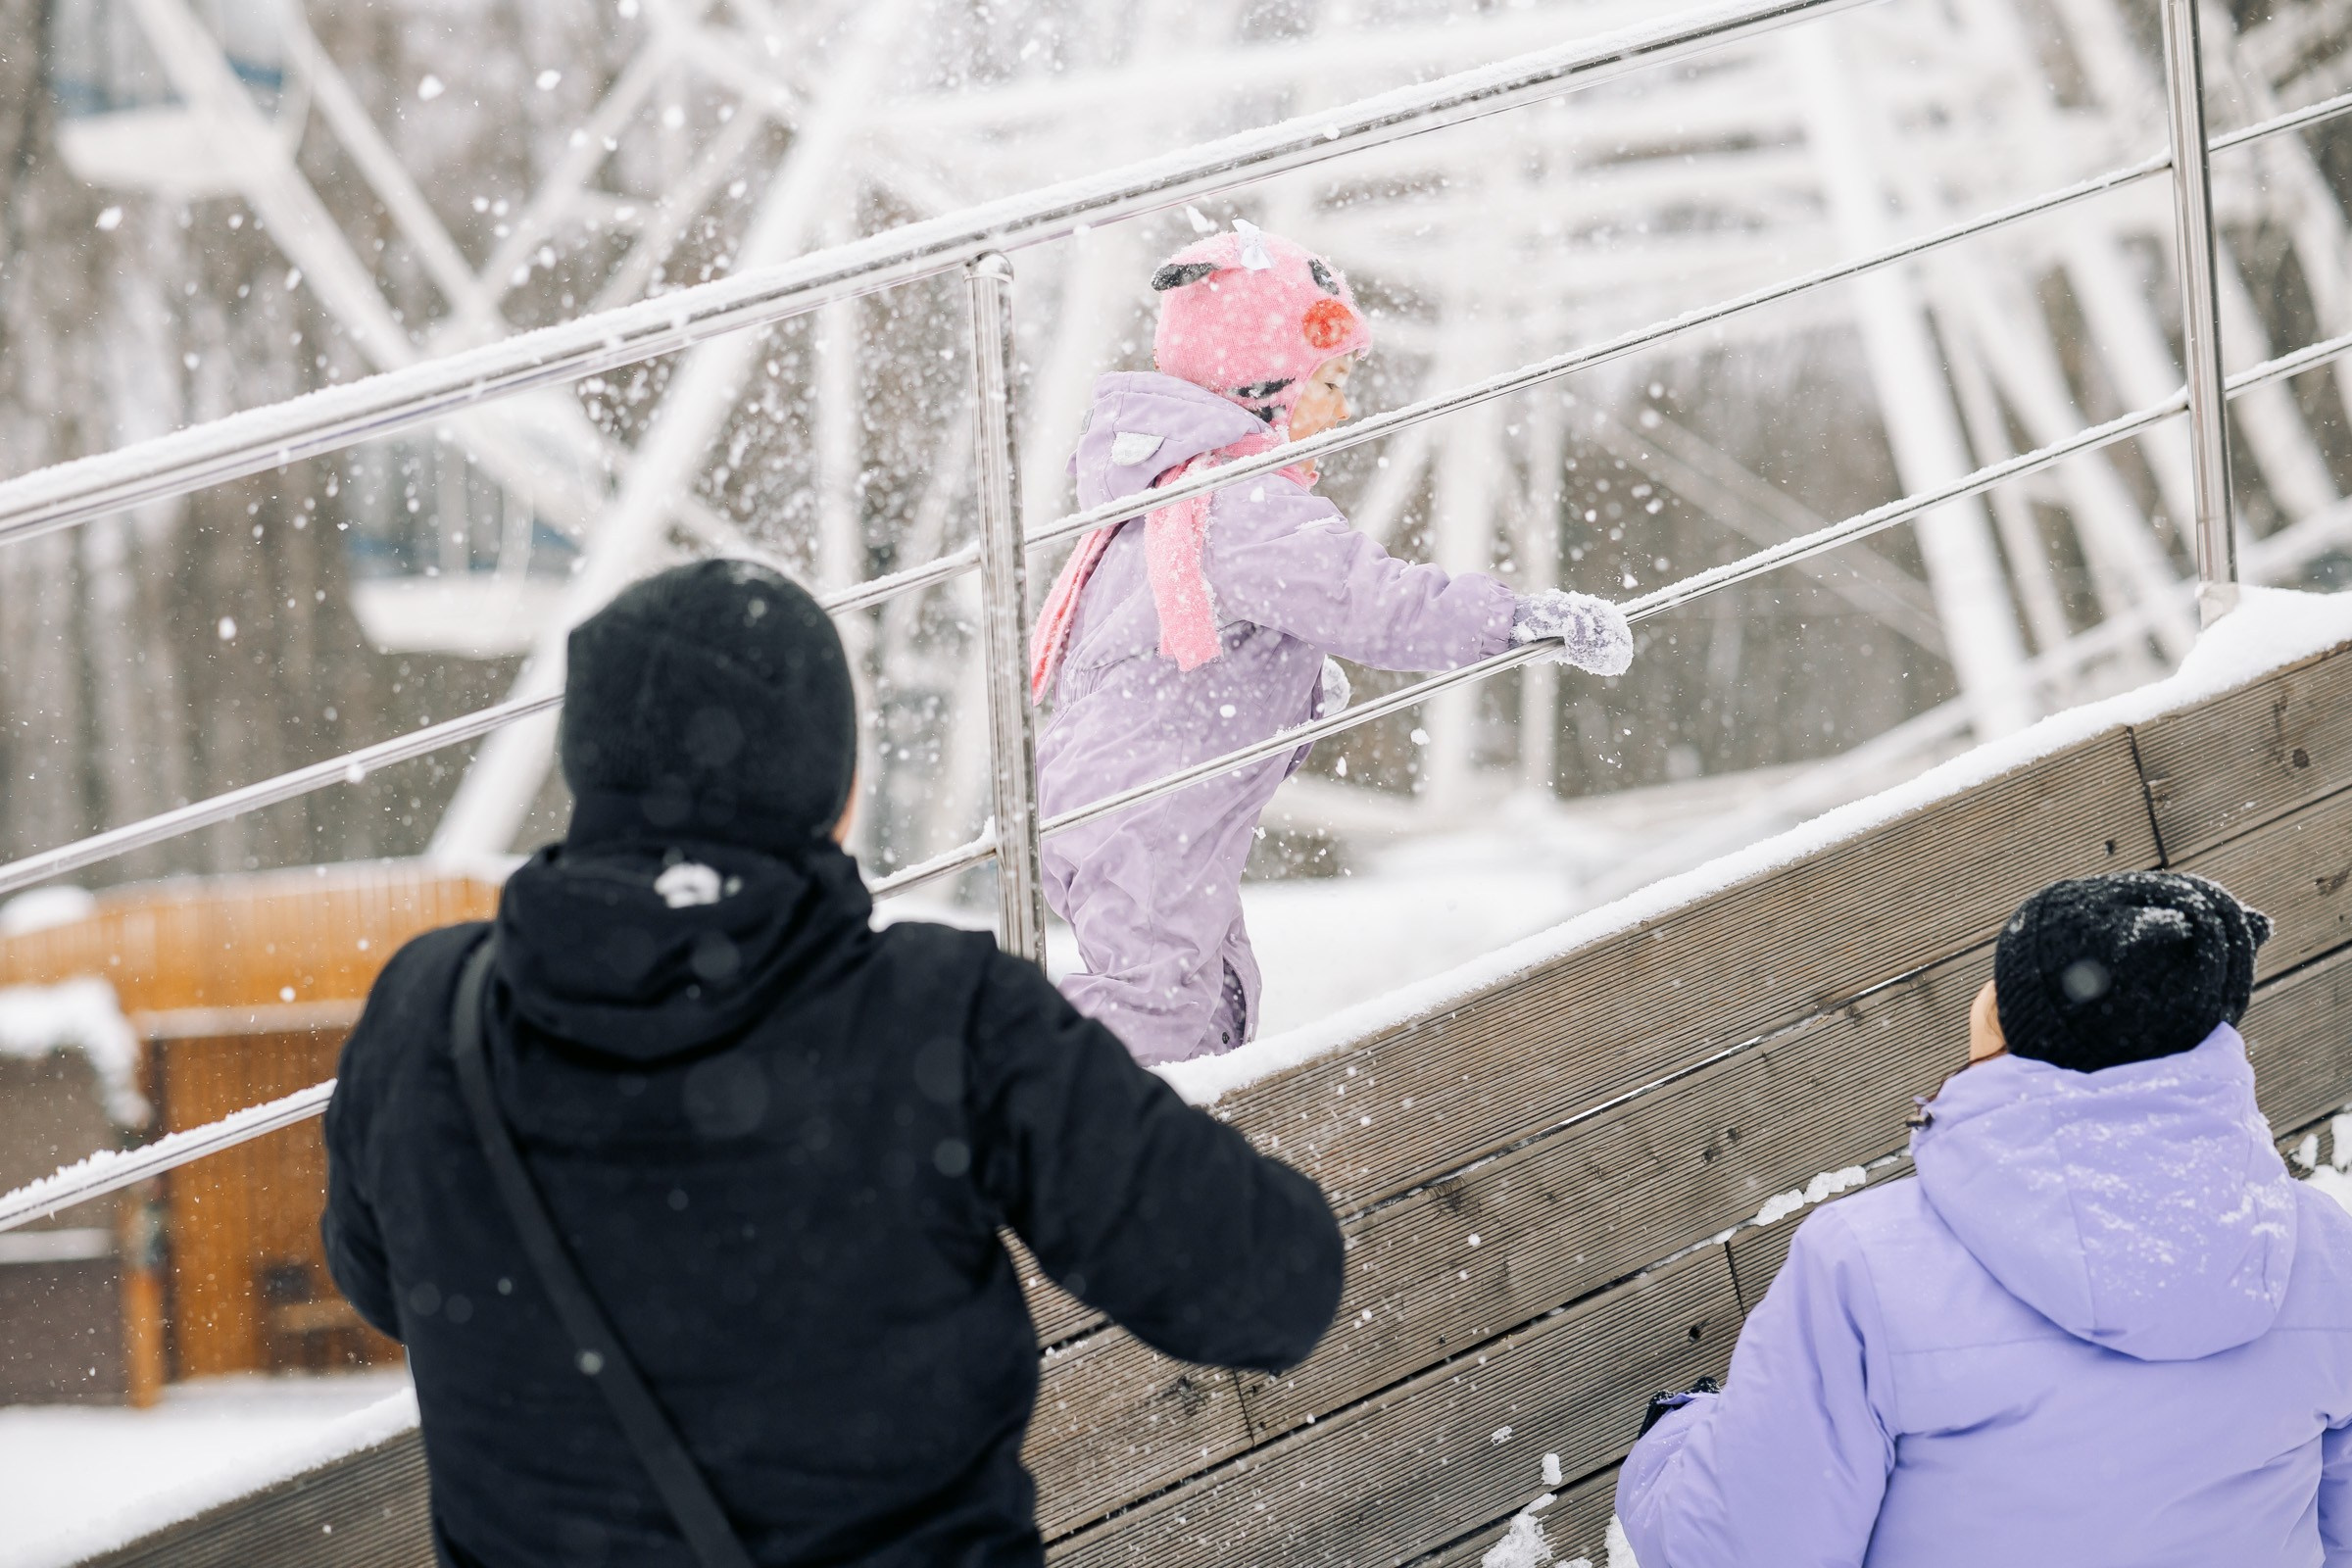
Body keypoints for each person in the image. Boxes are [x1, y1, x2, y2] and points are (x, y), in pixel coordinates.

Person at [320, 560, 1346, 1568]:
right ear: (841, 793)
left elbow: (383, 1285)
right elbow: (1271, 1284)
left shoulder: (428, 1012)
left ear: (586, 770)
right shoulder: (945, 1020)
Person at [1615, 869, 2352, 1566]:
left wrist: (1674, 1440)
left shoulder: (1860, 1265)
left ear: (1992, 1021)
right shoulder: (2317, 1248)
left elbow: (1739, 1551)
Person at [1029, 220, 1634, 1067]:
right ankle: (1005, 1097)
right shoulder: (1242, 504)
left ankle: (1161, 1121)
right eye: (1333, 382)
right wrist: (1515, 622)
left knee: (1210, 1002)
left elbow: (1146, 658)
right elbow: (1373, 603)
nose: (1344, 409)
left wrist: (1297, 684)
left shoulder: (1164, 501)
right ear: (1265, 382)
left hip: (1112, 799)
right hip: (1147, 813)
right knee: (1156, 1010)